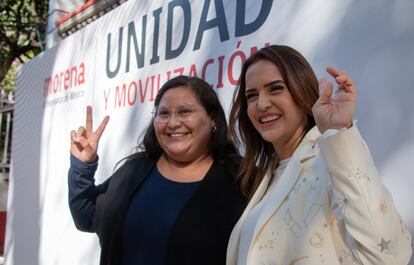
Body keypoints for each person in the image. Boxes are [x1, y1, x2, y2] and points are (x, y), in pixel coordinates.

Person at [226, 45, 412, 265]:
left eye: (275, 89)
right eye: (252, 95)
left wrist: (339, 133)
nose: (262, 104)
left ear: (302, 91)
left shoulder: (332, 158)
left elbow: (388, 255)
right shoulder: (264, 177)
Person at [68, 76, 247, 265]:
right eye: (163, 113)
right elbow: (86, 216)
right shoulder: (134, 170)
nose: (172, 123)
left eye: (185, 112)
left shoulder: (241, 181)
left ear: (213, 119)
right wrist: (82, 166)